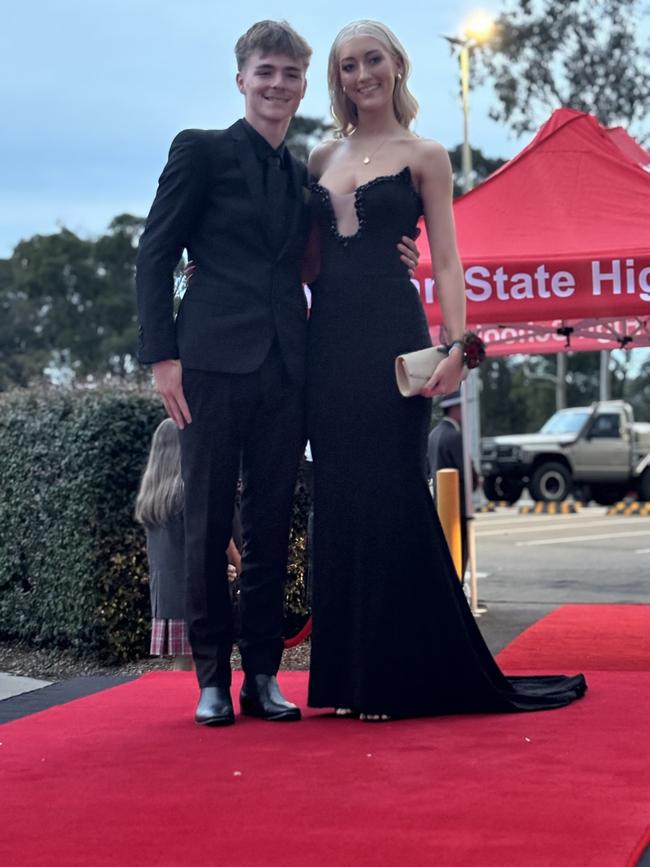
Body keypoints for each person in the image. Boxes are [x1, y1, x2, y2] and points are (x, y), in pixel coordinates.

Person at [135, 20, 422, 726]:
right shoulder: (199, 152)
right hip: (207, 363)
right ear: (242, 79)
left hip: (290, 365)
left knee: (269, 524)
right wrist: (162, 356)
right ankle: (210, 678)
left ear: (301, 86)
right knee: (205, 520)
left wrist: (397, 255)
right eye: (265, 72)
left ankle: (262, 672)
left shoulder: (303, 174)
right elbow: (156, 253)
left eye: (290, 74)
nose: (277, 85)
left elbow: (325, 255)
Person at [306, 20, 586, 719]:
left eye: (372, 60)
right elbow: (305, 258)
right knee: (340, 499)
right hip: (328, 341)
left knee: (394, 494)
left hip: (394, 338)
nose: (361, 74)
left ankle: (395, 677)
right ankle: (345, 680)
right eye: (348, 65)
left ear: (396, 66)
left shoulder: (427, 154)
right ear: (337, 79)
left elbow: (451, 260)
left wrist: (460, 348)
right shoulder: (317, 158)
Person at [135, 419, 240, 673]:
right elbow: (216, 533)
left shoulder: (151, 496)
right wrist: (233, 563)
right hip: (195, 590)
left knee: (183, 662)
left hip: (167, 592)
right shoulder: (188, 490)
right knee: (201, 662)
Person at [427, 390, 478, 580]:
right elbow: (468, 474)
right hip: (457, 507)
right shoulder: (454, 437)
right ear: (456, 408)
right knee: (459, 555)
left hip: (439, 505)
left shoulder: (433, 435)